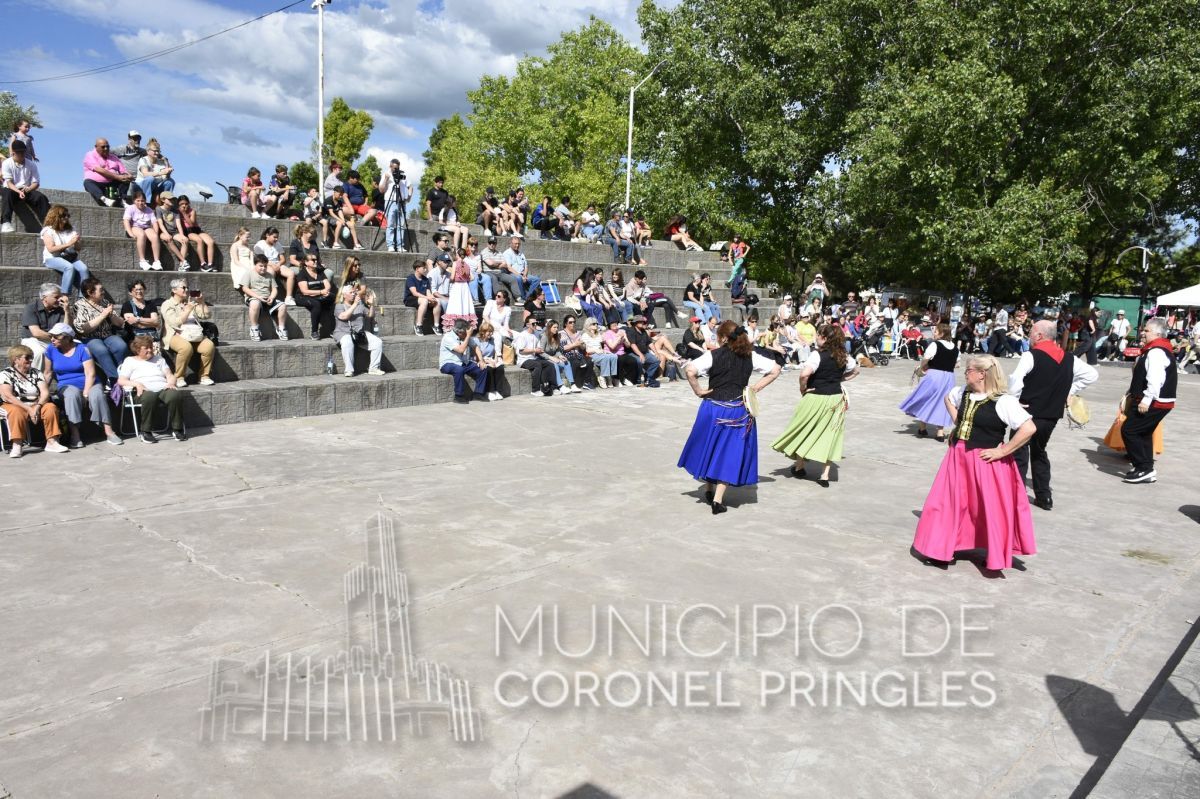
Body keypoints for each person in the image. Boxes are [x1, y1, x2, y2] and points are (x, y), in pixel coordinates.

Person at [911, 355, 1037, 571]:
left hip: (985, 462)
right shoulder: (963, 393)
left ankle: (992, 551)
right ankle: (942, 549)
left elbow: (1028, 428)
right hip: (958, 457)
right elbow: (948, 399)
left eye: (969, 370)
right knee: (947, 503)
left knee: (987, 508)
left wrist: (1003, 451)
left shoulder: (1003, 401)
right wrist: (958, 424)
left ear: (982, 374)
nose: (965, 373)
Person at [679, 321, 782, 513]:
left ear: (724, 338)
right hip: (737, 410)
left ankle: (709, 489)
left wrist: (699, 391)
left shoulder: (713, 355)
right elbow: (776, 369)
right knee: (728, 452)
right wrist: (754, 389)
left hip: (713, 408)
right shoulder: (751, 356)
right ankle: (717, 499)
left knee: (710, 446)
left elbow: (689, 370)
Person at [1006, 320, 1099, 509]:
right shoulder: (1069, 358)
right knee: (1039, 452)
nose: (1030, 336)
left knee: (1018, 451)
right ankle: (1044, 497)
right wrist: (1069, 391)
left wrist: (1013, 402)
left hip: (1026, 412)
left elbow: (1016, 381)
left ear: (1039, 336)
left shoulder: (1030, 356)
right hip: (1050, 415)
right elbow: (1092, 374)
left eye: (1031, 332)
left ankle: (1016, 493)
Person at [771, 324, 860, 486]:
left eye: (818, 335)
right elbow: (855, 371)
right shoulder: (844, 356)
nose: (816, 337)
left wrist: (803, 389)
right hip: (835, 399)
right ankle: (824, 475)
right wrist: (838, 380)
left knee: (805, 429)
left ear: (824, 338)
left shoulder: (816, 355)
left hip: (815, 396)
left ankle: (799, 467)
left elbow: (804, 374)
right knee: (830, 435)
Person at [42, 323, 122, 447]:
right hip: (66, 384)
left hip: (89, 382)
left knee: (97, 395)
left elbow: (90, 373)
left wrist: (85, 392)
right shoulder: (50, 350)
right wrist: (43, 392)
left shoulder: (82, 349)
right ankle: (75, 435)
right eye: (51, 336)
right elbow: (47, 373)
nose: (52, 339)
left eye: (56, 337)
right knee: (71, 395)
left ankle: (109, 431)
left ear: (67, 338)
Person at [1119, 318, 1177, 484]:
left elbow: (1155, 378)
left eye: (1146, 331)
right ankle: (1146, 468)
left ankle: (1143, 468)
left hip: (1154, 401)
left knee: (1129, 430)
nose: (1143, 333)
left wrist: (1146, 400)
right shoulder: (1156, 349)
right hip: (1157, 400)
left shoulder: (1156, 351)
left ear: (1158, 333)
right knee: (1143, 433)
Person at [1, 344, 68, 457]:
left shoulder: (36, 373)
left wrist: (37, 407)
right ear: (16, 359)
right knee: (15, 412)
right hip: (14, 404)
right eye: (27, 357)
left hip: (35, 404)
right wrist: (28, 408)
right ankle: (17, 444)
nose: (31, 360)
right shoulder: (5, 374)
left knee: (50, 407)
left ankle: (52, 441)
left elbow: (45, 392)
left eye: (31, 357)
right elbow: (8, 396)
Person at [117, 336, 186, 443]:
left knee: (174, 395)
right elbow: (121, 381)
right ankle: (146, 432)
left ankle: (177, 429)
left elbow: (169, 375)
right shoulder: (130, 361)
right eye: (146, 348)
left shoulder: (159, 359)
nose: (150, 350)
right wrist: (137, 384)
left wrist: (171, 382)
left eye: (151, 347)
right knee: (150, 396)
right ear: (137, 349)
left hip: (162, 389)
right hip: (142, 392)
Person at [898, 323, 959, 440]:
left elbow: (925, 360)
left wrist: (922, 369)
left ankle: (922, 428)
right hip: (949, 377)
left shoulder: (935, 345)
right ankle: (940, 433)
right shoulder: (955, 347)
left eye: (936, 331)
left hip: (934, 375)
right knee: (945, 403)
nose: (934, 333)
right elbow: (957, 363)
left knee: (926, 398)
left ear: (941, 334)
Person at [71, 278, 128, 383]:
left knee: (121, 346)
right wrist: (103, 315)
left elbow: (119, 323)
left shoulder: (105, 302)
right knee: (101, 350)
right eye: (100, 290)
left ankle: (123, 375)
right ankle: (114, 380)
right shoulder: (79, 306)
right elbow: (82, 329)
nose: (103, 292)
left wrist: (111, 315)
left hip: (107, 335)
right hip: (90, 337)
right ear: (90, 292)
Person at [159, 278, 215, 386]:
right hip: (174, 335)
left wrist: (201, 302)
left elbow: (205, 315)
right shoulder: (167, 304)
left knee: (209, 346)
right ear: (174, 290)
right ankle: (179, 377)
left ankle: (204, 376)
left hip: (193, 335)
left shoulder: (190, 302)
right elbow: (175, 322)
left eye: (187, 287)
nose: (186, 289)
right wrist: (187, 310)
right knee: (185, 348)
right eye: (183, 287)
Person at [333, 283, 384, 377]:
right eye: (351, 292)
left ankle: (373, 368)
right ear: (344, 295)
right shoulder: (339, 306)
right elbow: (343, 316)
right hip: (343, 333)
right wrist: (355, 304)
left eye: (354, 292)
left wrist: (371, 305)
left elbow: (370, 315)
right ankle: (349, 370)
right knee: (347, 342)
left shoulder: (360, 306)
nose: (353, 294)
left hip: (359, 333)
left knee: (377, 342)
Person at [39, 205, 91, 296]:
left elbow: (78, 248)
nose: (66, 217)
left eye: (68, 215)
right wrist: (69, 243)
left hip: (70, 257)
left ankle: (83, 298)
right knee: (69, 267)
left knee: (84, 269)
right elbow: (51, 249)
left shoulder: (71, 230)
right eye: (64, 215)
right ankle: (64, 295)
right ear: (56, 216)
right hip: (52, 258)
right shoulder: (48, 231)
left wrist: (76, 242)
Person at [240, 253, 289, 342]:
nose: (263, 268)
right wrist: (258, 297)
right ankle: (254, 328)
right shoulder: (249, 273)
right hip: (254, 298)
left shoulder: (269, 275)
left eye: (265, 266)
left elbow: (274, 289)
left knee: (283, 306)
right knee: (255, 303)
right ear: (255, 265)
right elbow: (245, 288)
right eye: (261, 266)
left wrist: (272, 297)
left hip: (268, 299)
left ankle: (281, 328)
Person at [20, 283, 71, 369]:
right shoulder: (31, 308)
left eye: (60, 297)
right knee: (40, 352)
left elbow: (66, 329)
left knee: (77, 347)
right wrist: (58, 337)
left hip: (54, 339)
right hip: (32, 339)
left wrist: (67, 311)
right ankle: (35, 380)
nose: (59, 300)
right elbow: (36, 333)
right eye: (56, 297)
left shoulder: (61, 309)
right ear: (44, 297)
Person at [1, 139, 48, 233]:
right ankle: (5, 222)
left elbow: (36, 182)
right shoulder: (6, 163)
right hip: (11, 188)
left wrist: (28, 189)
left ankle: (49, 225)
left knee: (40, 197)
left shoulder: (31, 164)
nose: (22, 154)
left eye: (23, 152)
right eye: (19, 152)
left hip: (26, 189)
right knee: (7, 194)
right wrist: (18, 191)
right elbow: (9, 182)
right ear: (13, 153)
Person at [514, 316, 558, 396]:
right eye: (533, 323)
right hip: (523, 360)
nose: (535, 325)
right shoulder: (522, 335)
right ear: (527, 325)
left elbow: (545, 334)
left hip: (534, 358)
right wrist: (534, 350)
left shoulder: (536, 334)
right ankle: (535, 390)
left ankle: (553, 387)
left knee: (549, 364)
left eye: (536, 323)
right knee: (537, 365)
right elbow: (521, 351)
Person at [294, 252, 335, 339]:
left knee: (333, 298)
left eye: (316, 259)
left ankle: (333, 330)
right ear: (306, 262)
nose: (315, 261)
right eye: (313, 260)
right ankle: (314, 332)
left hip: (317, 295)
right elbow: (304, 291)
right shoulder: (302, 273)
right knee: (316, 304)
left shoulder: (320, 272)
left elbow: (327, 285)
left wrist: (326, 291)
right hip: (302, 297)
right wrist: (321, 292)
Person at [82, 138, 133, 207]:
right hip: (97, 182)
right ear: (96, 147)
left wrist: (128, 176)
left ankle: (123, 200)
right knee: (87, 182)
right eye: (103, 147)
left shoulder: (114, 157)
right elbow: (99, 169)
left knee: (125, 179)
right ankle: (104, 199)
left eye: (107, 146)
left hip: (112, 182)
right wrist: (117, 176)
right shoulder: (90, 155)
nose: (106, 148)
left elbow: (123, 170)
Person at [253, 227, 297, 306]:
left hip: (277, 264)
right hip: (266, 264)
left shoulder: (278, 244)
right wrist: (272, 265)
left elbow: (283, 259)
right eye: (274, 237)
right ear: (267, 235)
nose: (276, 239)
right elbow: (261, 259)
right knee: (271, 273)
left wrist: (278, 264)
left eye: (277, 237)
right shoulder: (260, 244)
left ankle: (289, 297)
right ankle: (269, 296)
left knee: (291, 273)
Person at [378, 159, 412, 252]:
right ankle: (390, 245)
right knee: (390, 224)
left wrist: (409, 197)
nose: (396, 170)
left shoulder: (402, 174)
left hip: (401, 201)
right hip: (390, 200)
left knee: (401, 225)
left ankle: (400, 245)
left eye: (397, 168)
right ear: (390, 166)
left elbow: (410, 186)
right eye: (394, 168)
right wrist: (386, 179)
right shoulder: (386, 174)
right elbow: (381, 189)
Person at [123, 190, 162, 271]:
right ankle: (142, 260)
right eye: (138, 200)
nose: (140, 203)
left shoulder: (149, 210)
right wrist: (130, 233)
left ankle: (157, 261)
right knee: (141, 235)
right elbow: (126, 221)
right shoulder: (130, 208)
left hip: (146, 227)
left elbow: (154, 222)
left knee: (154, 237)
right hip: (134, 226)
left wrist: (156, 232)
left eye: (142, 201)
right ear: (134, 201)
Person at [176, 195, 217, 272]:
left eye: (186, 203)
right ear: (178, 204)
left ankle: (210, 264)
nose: (184, 205)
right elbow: (187, 226)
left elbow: (192, 223)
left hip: (196, 229)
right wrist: (183, 213)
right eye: (182, 204)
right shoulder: (177, 212)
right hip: (188, 231)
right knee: (199, 240)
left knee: (210, 242)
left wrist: (185, 214)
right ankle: (202, 264)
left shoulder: (192, 211)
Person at [539, 319, 581, 393]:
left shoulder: (556, 337)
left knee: (566, 362)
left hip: (554, 357)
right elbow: (541, 352)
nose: (556, 329)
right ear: (549, 328)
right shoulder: (544, 337)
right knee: (554, 364)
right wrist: (551, 358)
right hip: (544, 359)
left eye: (557, 327)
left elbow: (557, 350)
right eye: (554, 327)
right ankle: (560, 386)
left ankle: (572, 384)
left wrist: (560, 356)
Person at [442, 248, 478, 331]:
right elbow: (472, 278)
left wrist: (449, 279)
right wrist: (465, 279)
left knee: (455, 305)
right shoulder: (467, 265)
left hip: (457, 286)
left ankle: (453, 326)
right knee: (465, 306)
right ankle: (465, 325)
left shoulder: (455, 263)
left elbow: (452, 277)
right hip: (465, 286)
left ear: (457, 255)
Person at [153, 192, 191, 270]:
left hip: (174, 232)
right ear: (163, 199)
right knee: (169, 239)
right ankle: (183, 260)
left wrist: (182, 235)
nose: (172, 201)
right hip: (163, 232)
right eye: (170, 199)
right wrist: (166, 234)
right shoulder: (158, 209)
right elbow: (160, 224)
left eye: (173, 199)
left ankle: (181, 265)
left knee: (185, 240)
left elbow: (178, 224)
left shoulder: (175, 210)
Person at [559, 315, 596, 390]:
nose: (572, 324)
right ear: (566, 324)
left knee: (590, 361)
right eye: (570, 322)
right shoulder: (562, 334)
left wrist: (581, 345)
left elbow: (583, 347)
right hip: (568, 355)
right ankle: (573, 384)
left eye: (574, 322)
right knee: (575, 362)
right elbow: (563, 348)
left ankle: (586, 382)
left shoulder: (578, 333)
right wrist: (574, 344)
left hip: (579, 354)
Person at [405, 259, 440, 335]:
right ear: (417, 269)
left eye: (425, 267)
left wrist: (431, 298)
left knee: (437, 301)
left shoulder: (426, 279)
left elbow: (428, 292)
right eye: (423, 268)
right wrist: (427, 298)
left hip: (423, 298)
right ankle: (418, 325)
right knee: (424, 301)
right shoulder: (410, 278)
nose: (425, 269)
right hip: (411, 299)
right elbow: (414, 293)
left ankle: (436, 325)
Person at [625, 315, 661, 387]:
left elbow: (649, 343)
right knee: (639, 361)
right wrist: (640, 354)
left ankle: (648, 378)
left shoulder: (643, 331)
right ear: (635, 323)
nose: (642, 323)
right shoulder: (631, 331)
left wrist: (656, 352)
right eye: (640, 322)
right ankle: (638, 379)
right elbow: (633, 345)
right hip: (633, 353)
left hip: (644, 352)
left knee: (656, 360)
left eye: (643, 322)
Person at [602, 318, 639, 386]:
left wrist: (624, 339)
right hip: (611, 353)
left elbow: (628, 346)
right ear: (609, 326)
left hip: (621, 353)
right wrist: (619, 338)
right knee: (620, 360)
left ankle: (628, 378)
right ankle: (616, 379)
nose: (614, 324)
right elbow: (612, 347)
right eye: (612, 323)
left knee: (633, 361)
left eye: (616, 323)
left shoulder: (622, 331)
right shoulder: (607, 334)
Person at [581, 317, 617, 387]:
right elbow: (586, 350)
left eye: (596, 324)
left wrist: (604, 351)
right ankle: (602, 377)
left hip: (600, 353)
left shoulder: (598, 334)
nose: (596, 325)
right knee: (605, 358)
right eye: (593, 324)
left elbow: (600, 347)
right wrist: (595, 350)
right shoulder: (585, 335)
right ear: (588, 325)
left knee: (613, 356)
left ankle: (611, 376)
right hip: (591, 354)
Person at [476, 320, 506, 401]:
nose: (491, 333)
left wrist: (495, 361)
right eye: (488, 332)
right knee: (489, 369)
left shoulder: (492, 340)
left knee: (500, 368)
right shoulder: (477, 341)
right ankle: (490, 391)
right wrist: (488, 362)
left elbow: (496, 351)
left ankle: (498, 391)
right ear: (483, 332)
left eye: (491, 331)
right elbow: (477, 356)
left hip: (491, 359)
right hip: (481, 360)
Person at [113, 131, 145, 200]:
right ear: (129, 139)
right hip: (125, 177)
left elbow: (153, 152)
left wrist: (164, 159)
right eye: (134, 138)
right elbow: (106, 152)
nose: (137, 140)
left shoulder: (142, 151)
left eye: (138, 138)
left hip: (138, 179)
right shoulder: (122, 149)